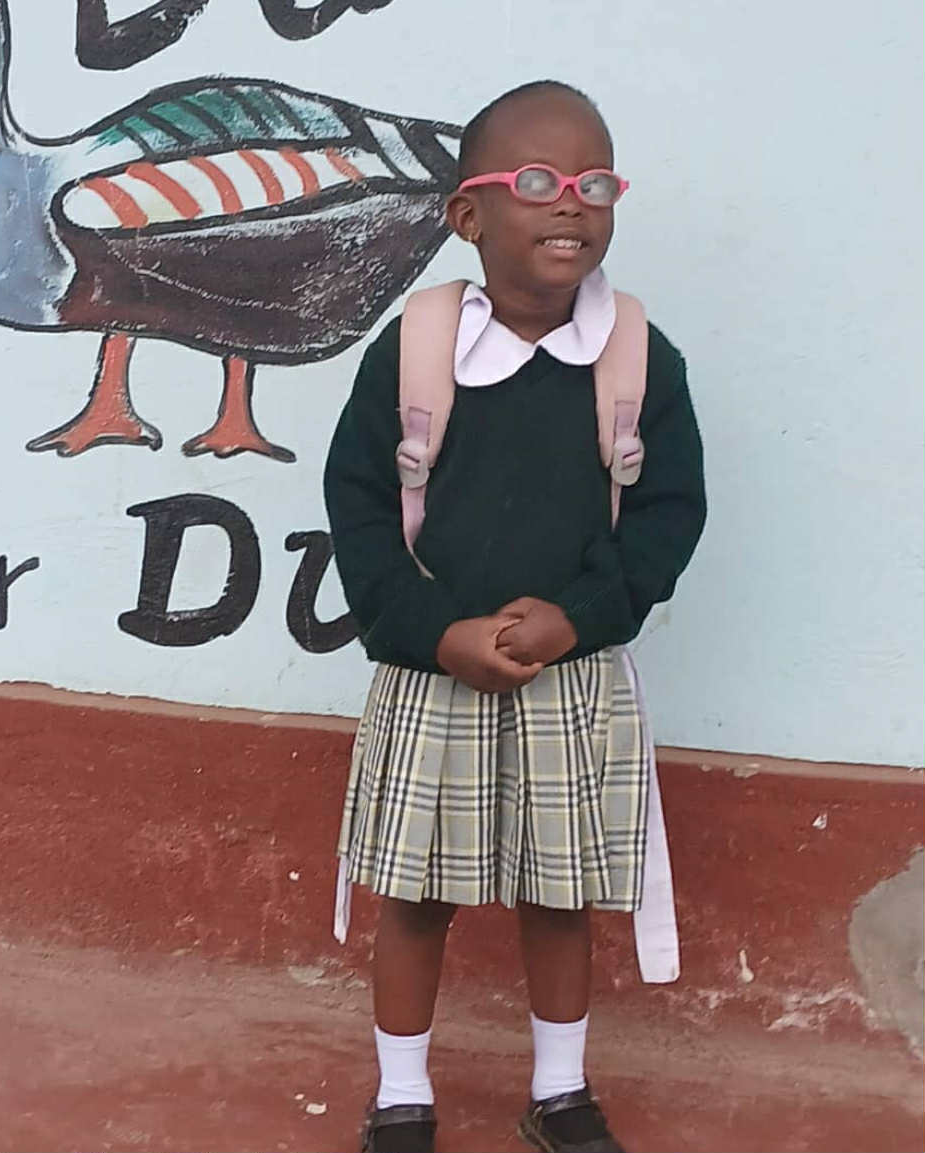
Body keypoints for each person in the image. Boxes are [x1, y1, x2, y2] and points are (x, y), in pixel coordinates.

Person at [322, 80, 707, 1153]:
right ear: (468, 214)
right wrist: (433, 630)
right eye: (537, 181)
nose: (571, 201)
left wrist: (577, 618)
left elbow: (668, 516)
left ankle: (559, 1091)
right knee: (414, 895)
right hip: (431, 669)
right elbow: (358, 507)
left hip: (569, 676)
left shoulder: (638, 359)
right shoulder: (414, 351)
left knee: (559, 894)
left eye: (594, 182)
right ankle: (402, 1095)